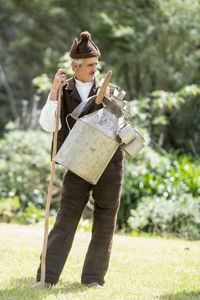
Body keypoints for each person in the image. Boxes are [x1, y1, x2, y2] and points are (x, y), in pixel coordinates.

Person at [32, 31, 124, 288]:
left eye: (97, 65)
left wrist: (113, 101)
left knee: (105, 220)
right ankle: (46, 278)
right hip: (77, 162)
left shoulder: (111, 90)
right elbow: (48, 125)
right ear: (76, 65)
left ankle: (94, 279)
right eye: (91, 65)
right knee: (65, 219)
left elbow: (124, 122)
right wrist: (53, 91)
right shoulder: (64, 90)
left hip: (109, 163)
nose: (96, 69)